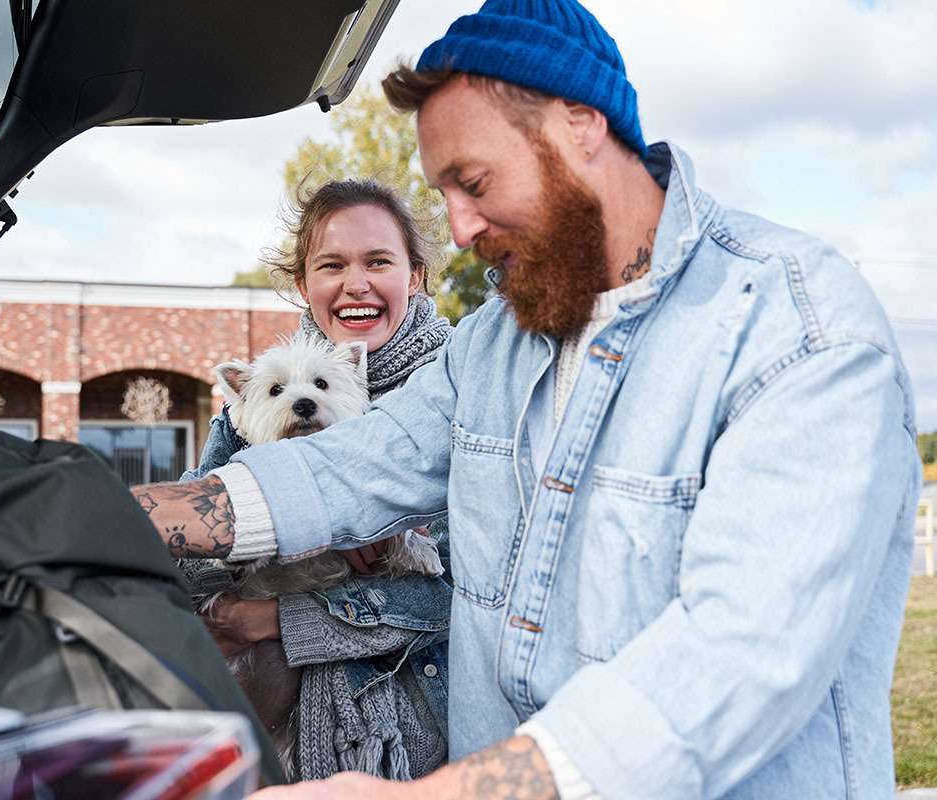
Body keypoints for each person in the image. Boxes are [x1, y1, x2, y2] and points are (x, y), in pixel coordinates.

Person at [133, 2, 922, 798]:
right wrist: (93, 509)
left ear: (580, 126)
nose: (461, 228)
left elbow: (737, 659)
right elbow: (349, 467)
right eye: (444, 194)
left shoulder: (798, 331)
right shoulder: (492, 344)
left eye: (473, 184)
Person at [179, 178, 454, 781]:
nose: (356, 283)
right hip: (260, 728)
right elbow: (196, 569)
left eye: (378, 261)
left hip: (410, 732)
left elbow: (460, 595)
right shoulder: (244, 416)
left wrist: (278, 618)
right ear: (304, 285)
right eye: (333, 265)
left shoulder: (459, 389)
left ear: (416, 275)